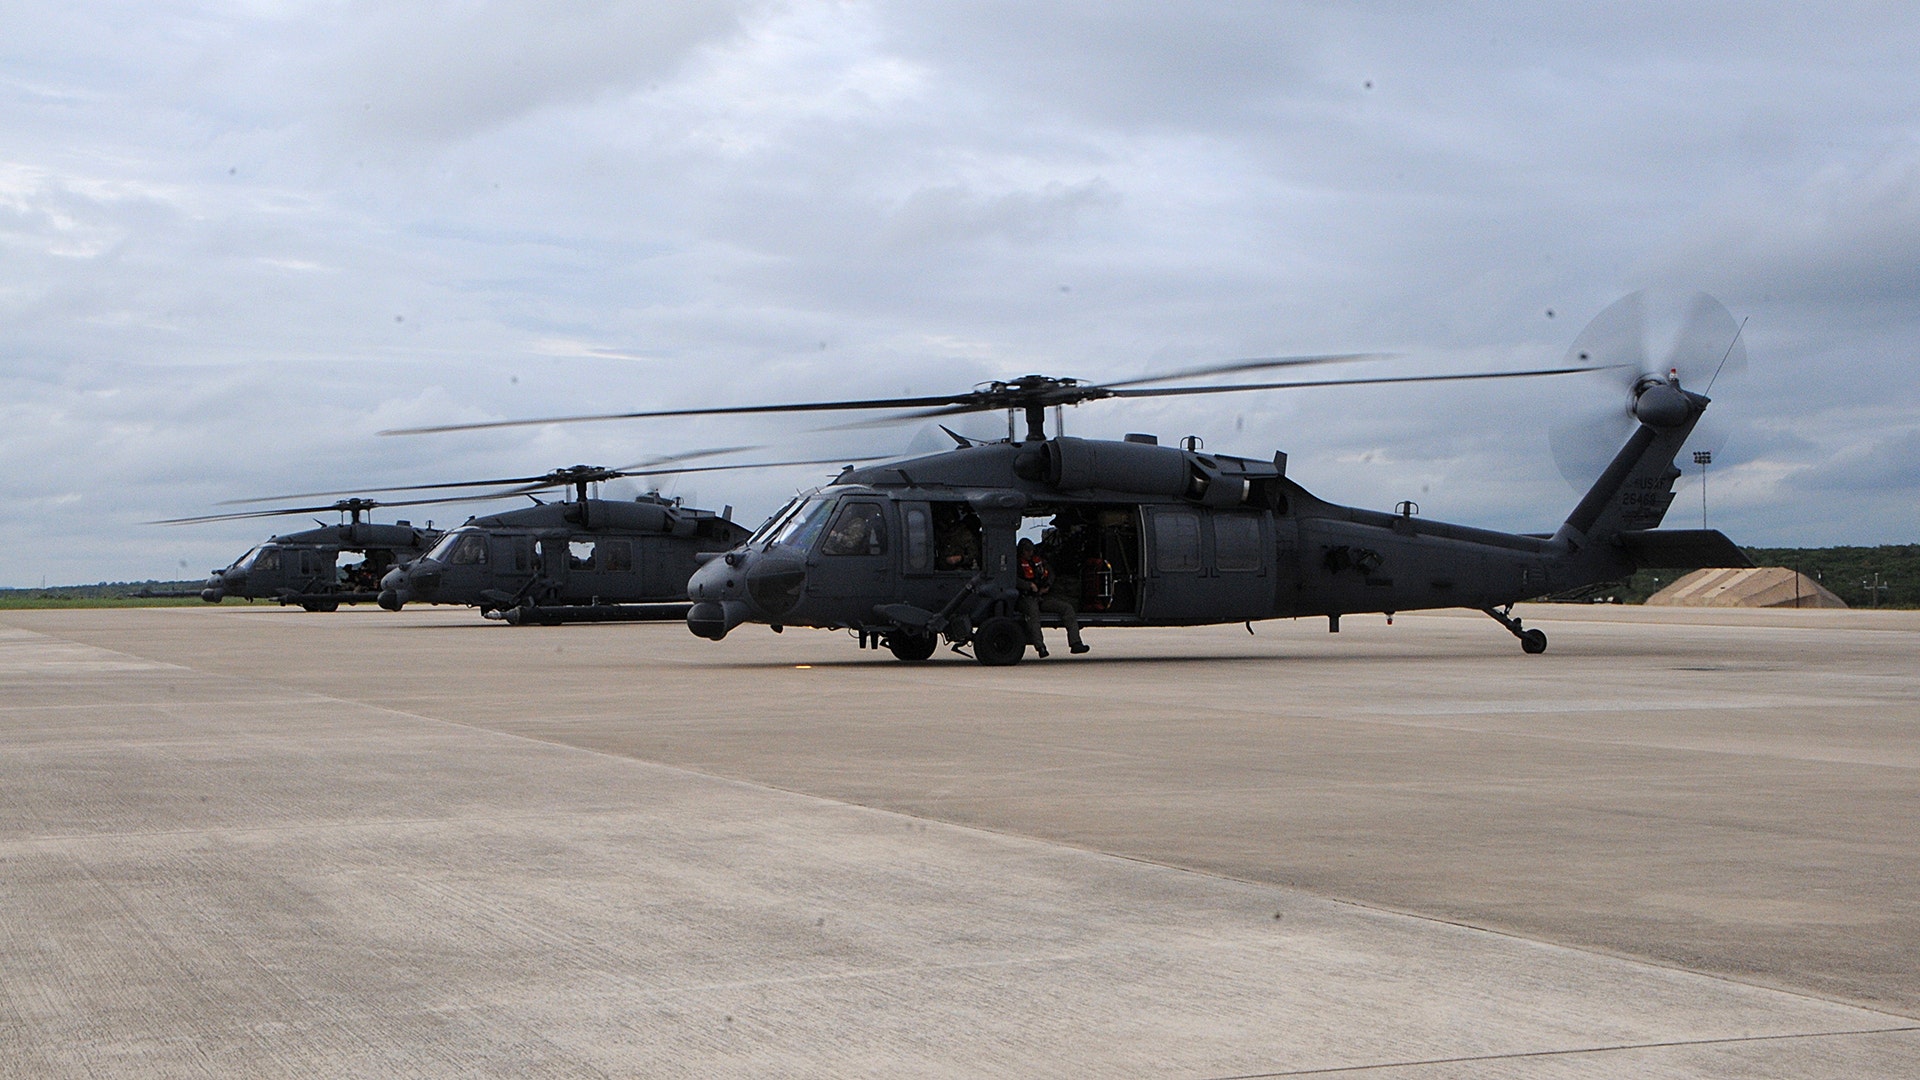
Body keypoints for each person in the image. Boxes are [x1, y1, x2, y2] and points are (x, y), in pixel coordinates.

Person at [1017, 537, 1088, 657]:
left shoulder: (1037, 561)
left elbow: (1050, 573)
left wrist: (1048, 586)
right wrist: (1028, 585)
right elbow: (1012, 580)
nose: (1030, 553)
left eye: (1031, 550)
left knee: (1067, 608)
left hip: (1043, 596)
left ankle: (1076, 642)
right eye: (1027, 550)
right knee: (1034, 616)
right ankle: (1040, 647)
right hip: (1026, 597)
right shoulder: (1016, 564)